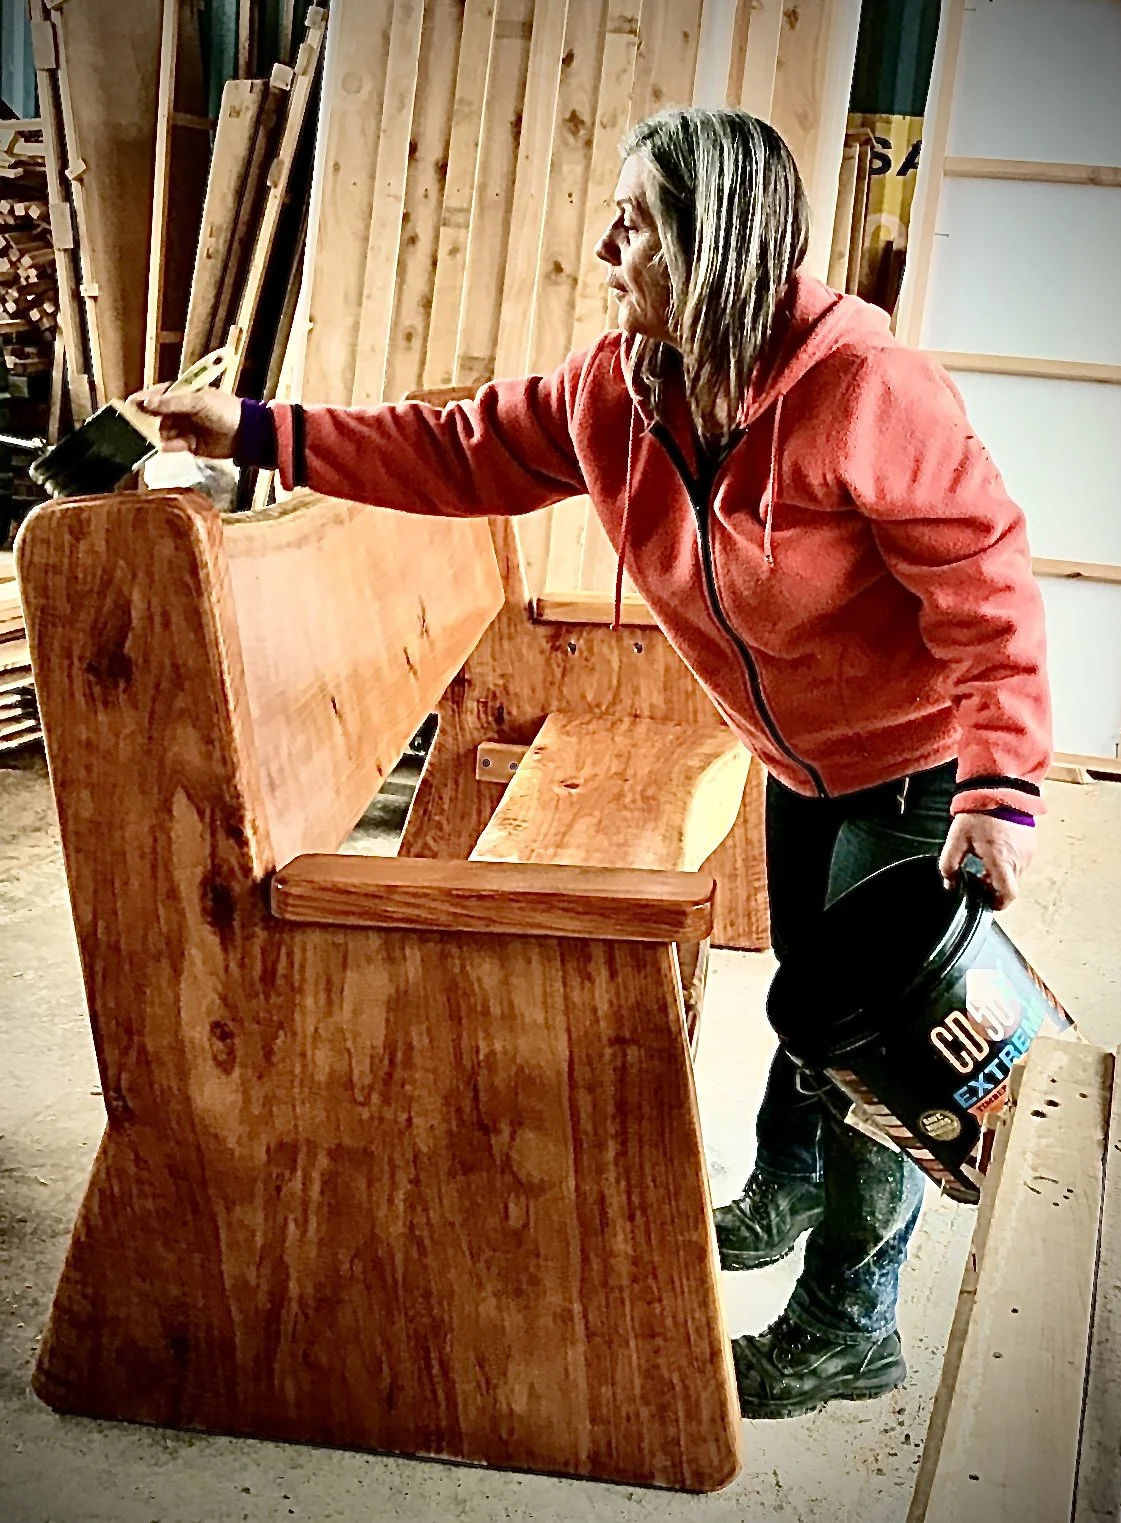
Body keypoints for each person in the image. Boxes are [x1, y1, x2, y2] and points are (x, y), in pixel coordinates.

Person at [134, 107, 1050, 1420]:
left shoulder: (866, 391)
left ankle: (854, 1321)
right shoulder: (626, 383)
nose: (606, 244)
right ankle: (781, 1192)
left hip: (915, 760)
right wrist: (250, 431)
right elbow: (448, 451)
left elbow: (988, 585)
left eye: (639, 222)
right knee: (812, 993)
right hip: (797, 759)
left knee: (883, 1060)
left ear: (717, 244)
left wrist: (1001, 787)